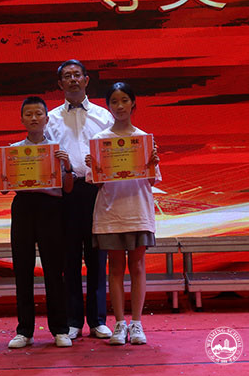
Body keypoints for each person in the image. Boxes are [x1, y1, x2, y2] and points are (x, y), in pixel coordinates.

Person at [0, 96, 74, 349]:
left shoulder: (57, 150)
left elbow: (68, 188)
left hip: (51, 208)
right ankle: (24, 331)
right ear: (22, 119)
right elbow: (5, 189)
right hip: (23, 207)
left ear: (47, 118)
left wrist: (67, 166)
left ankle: (60, 329)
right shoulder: (13, 151)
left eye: (38, 114)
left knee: (54, 270)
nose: (34, 118)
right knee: (22, 269)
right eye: (29, 114)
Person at [85, 82, 160, 346]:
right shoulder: (100, 141)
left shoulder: (144, 139)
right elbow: (95, 183)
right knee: (115, 268)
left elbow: (152, 180)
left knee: (137, 267)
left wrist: (152, 163)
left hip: (138, 209)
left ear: (133, 104)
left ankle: (136, 323)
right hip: (110, 211)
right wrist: (94, 166)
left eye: (124, 100)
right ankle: (119, 323)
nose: (119, 106)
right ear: (108, 106)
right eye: (114, 101)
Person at [45, 59, 114, 340]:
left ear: (86, 80)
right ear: (60, 84)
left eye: (77, 75)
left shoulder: (104, 116)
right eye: (67, 76)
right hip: (65, 193)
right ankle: (73, 320)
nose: (73, 80)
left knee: (97, 256)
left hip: (97, 191)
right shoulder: (49, 119)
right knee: (69, 258)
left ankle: (98, 320)